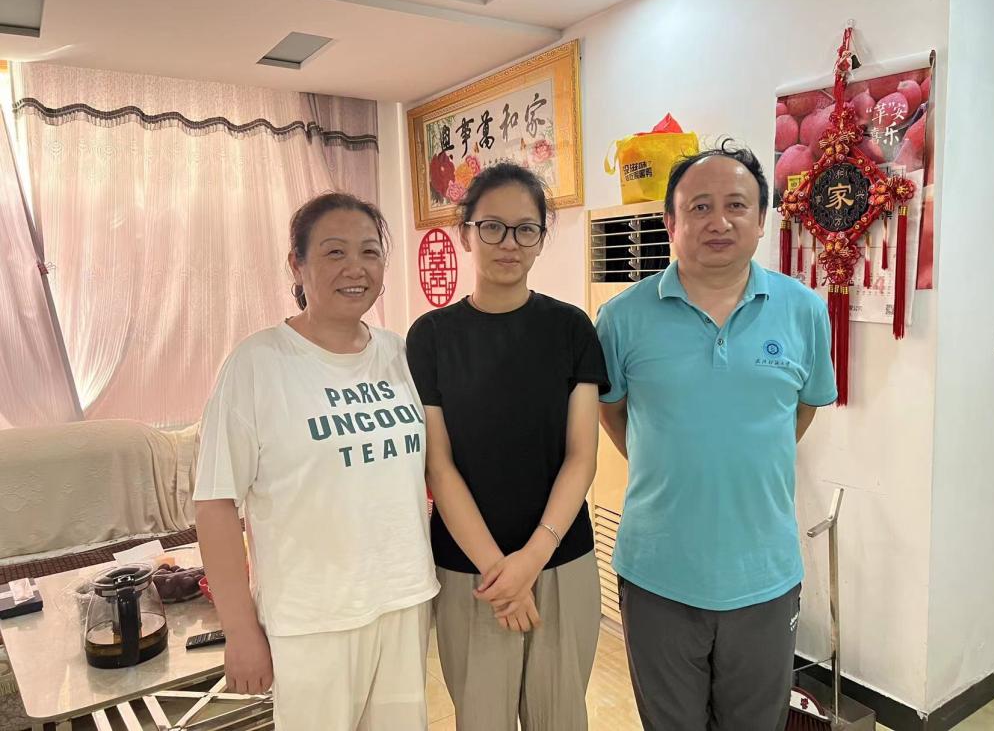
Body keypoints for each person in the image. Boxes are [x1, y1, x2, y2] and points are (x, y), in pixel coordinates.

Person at [596, 141, 838, 731]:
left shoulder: (804, 311)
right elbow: (614, 413)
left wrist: (740, 456)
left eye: (736, 205)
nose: (719, 221)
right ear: (670, 222)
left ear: (762, 219)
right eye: (699, 206)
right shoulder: (622, 318)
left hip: (765, 572)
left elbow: (802, 410)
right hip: (657, 572)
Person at [192, 192, 438, 730]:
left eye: (370, 252)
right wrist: (240, 631)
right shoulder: (257, 364)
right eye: (334, 252)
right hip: (310, 619)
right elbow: (215, 505)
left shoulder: (401, 355)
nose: (356, 268)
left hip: (403, 599)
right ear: (297, 264)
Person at [406, 162, 608, 731]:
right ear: (466, 232)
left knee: (560, 719)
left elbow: (582, 457)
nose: (509, 243)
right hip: (469, 570)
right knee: (481, 719)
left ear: (541, 238)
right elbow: (439, 466)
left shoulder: (571, 329)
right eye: (492, 227)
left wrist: (532, 560)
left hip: (562, 561)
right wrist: (502, 574)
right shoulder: (431, 337)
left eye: (526, 229)